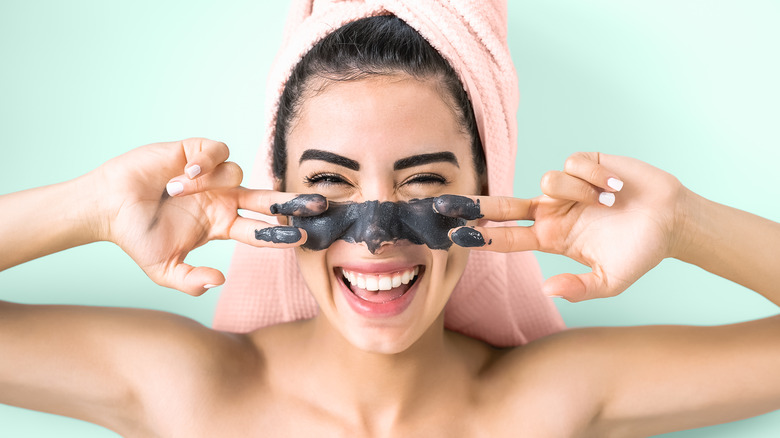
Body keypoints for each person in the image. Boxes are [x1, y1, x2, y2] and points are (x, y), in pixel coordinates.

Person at [2, 5, 780, 438]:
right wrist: (94, 208)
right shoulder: (193, 394)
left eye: (427, 182)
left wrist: (685, 225)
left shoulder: (544, 404)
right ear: (275, 199)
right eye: (329, 184)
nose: (377, 237)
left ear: (488, 188)